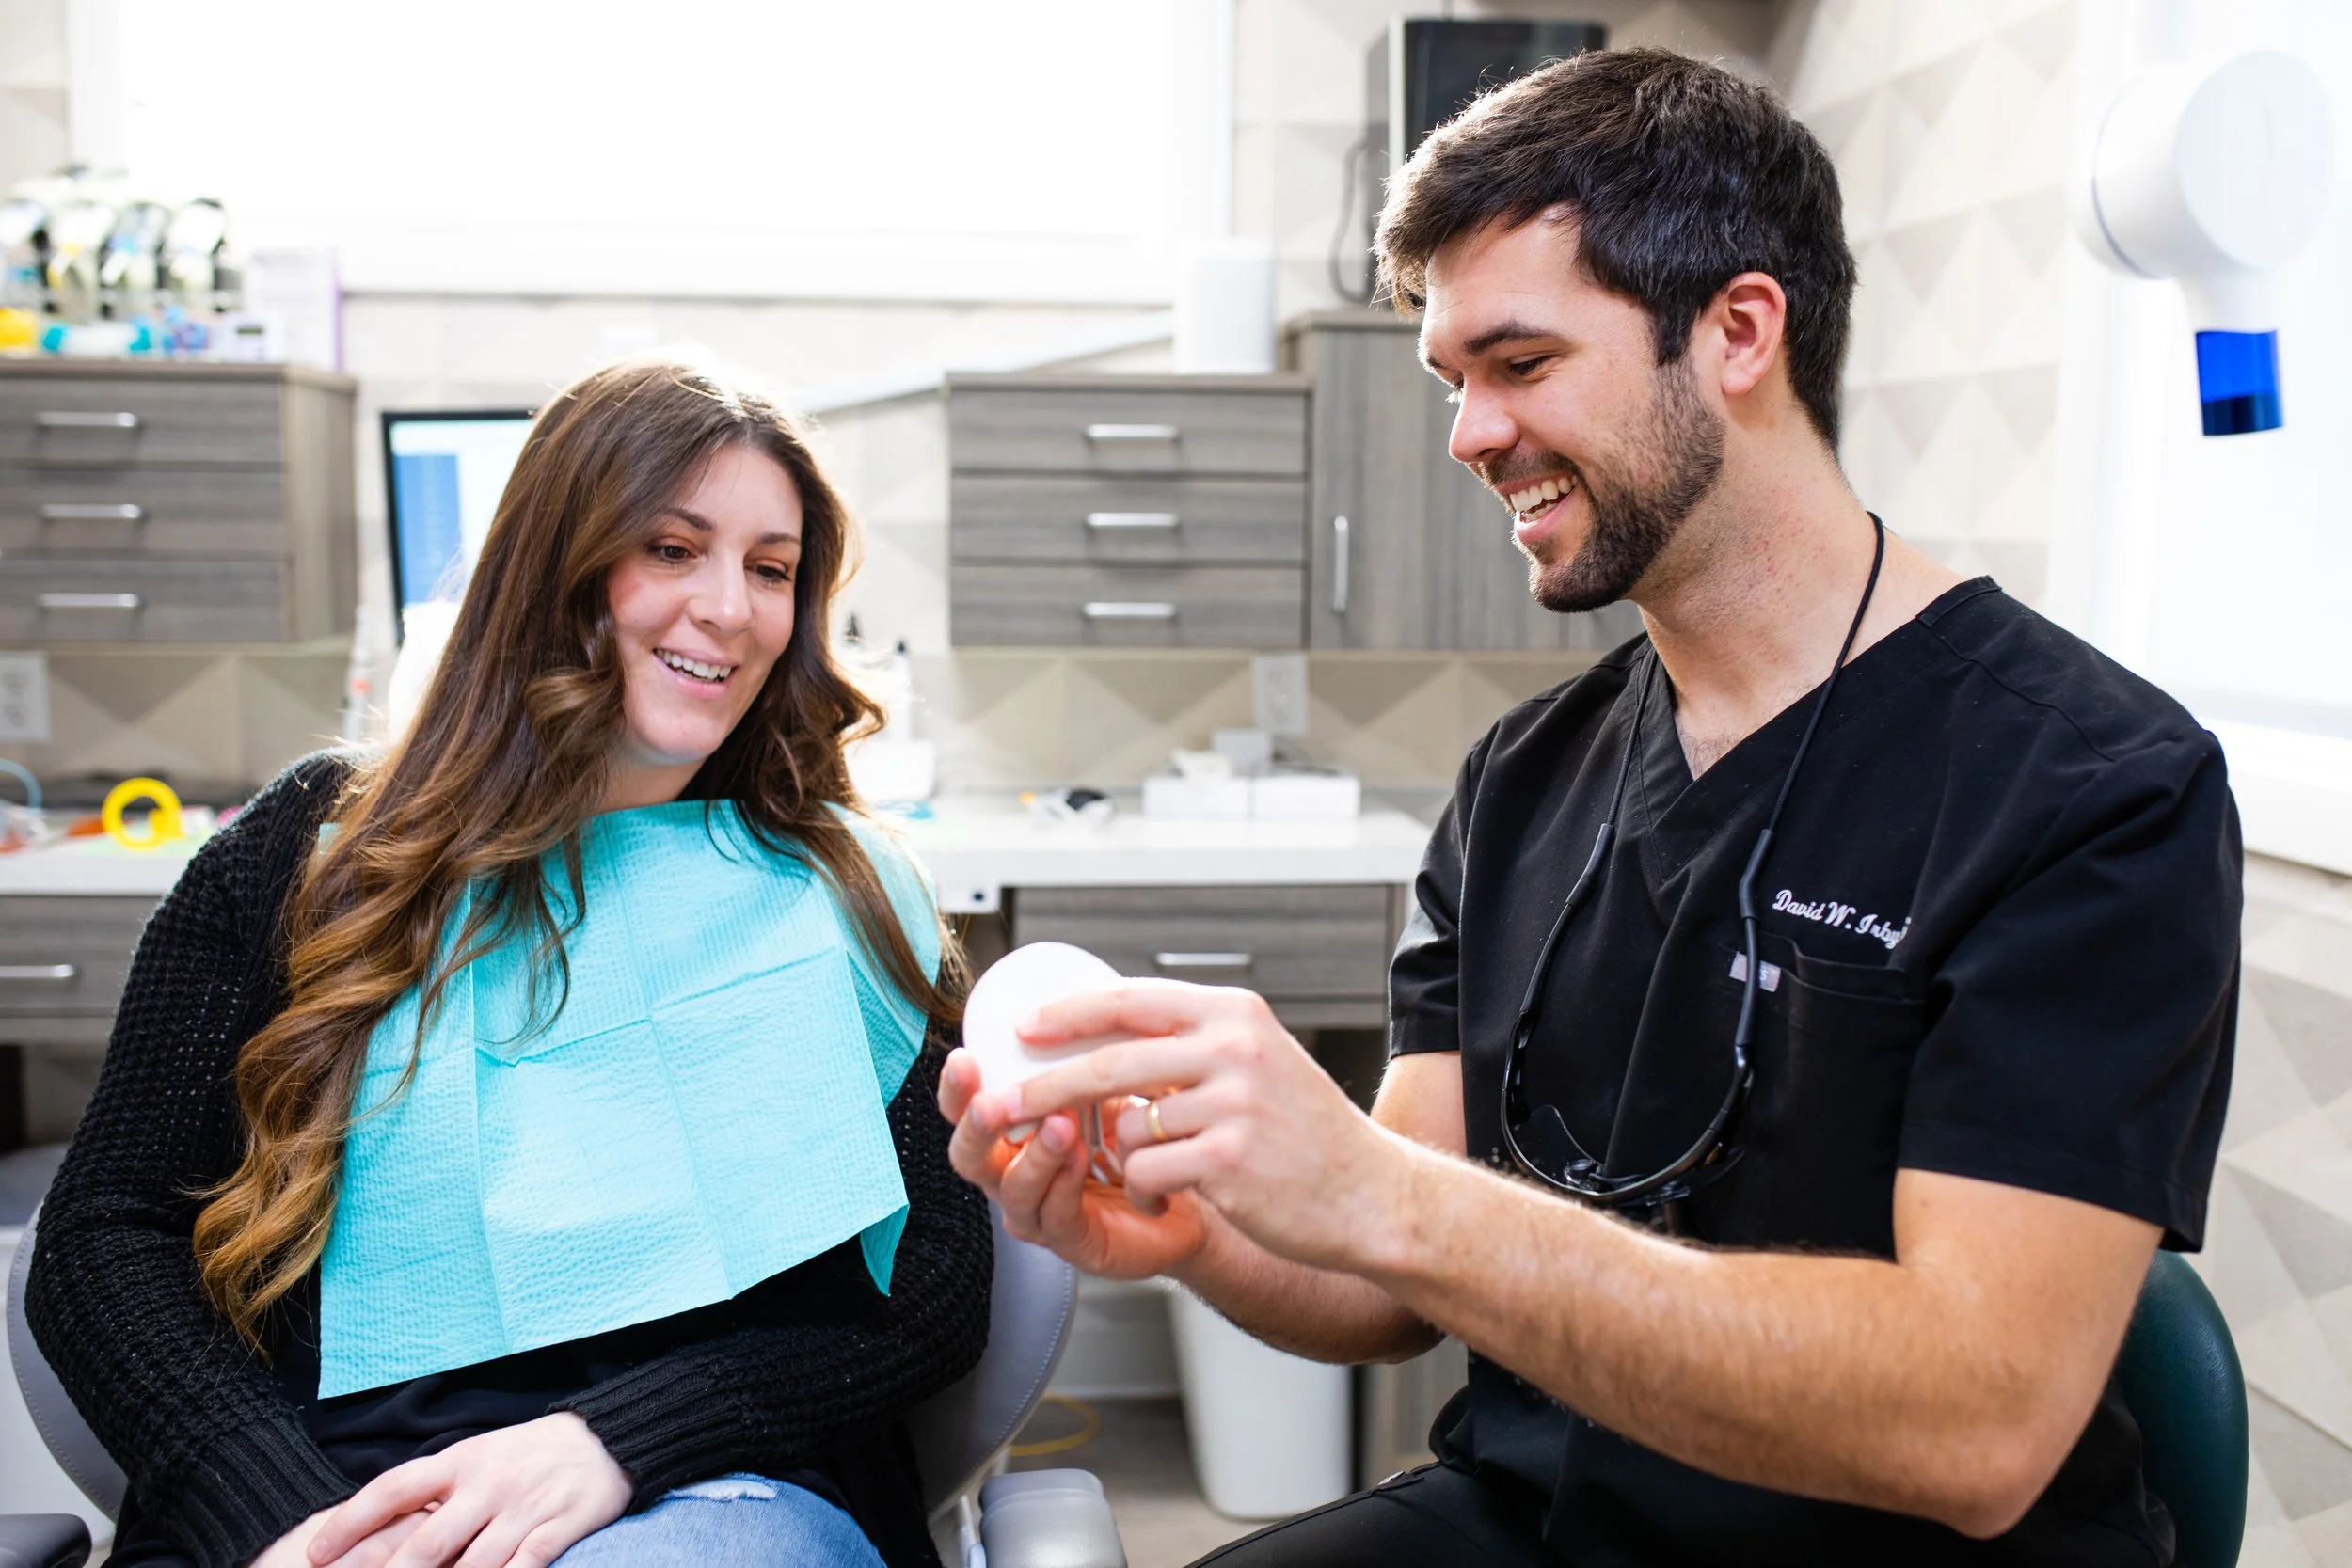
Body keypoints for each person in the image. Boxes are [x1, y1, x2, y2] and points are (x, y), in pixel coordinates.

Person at [943, 48, 2240, 1568]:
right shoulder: (1519, 784)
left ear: (1740, 332)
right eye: (1452, 380)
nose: (1468, 433)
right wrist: (1188, 1233)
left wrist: (1385, 1196)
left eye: (1520, 361)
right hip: (1544, 1512)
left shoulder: (2091, 787)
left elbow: (1977, 1421)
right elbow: (1384, 1285)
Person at [29, 360, 992, 1568]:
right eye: (672, 546)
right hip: (321, 1490)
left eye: (770, 568)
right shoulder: (306, 854)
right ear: (557, 563)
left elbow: (935, 1287)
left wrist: (617, 1438)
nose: (731, 608)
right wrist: (288, 1515)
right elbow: (103, 1238)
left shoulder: (845, 890)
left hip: (703, 1492)